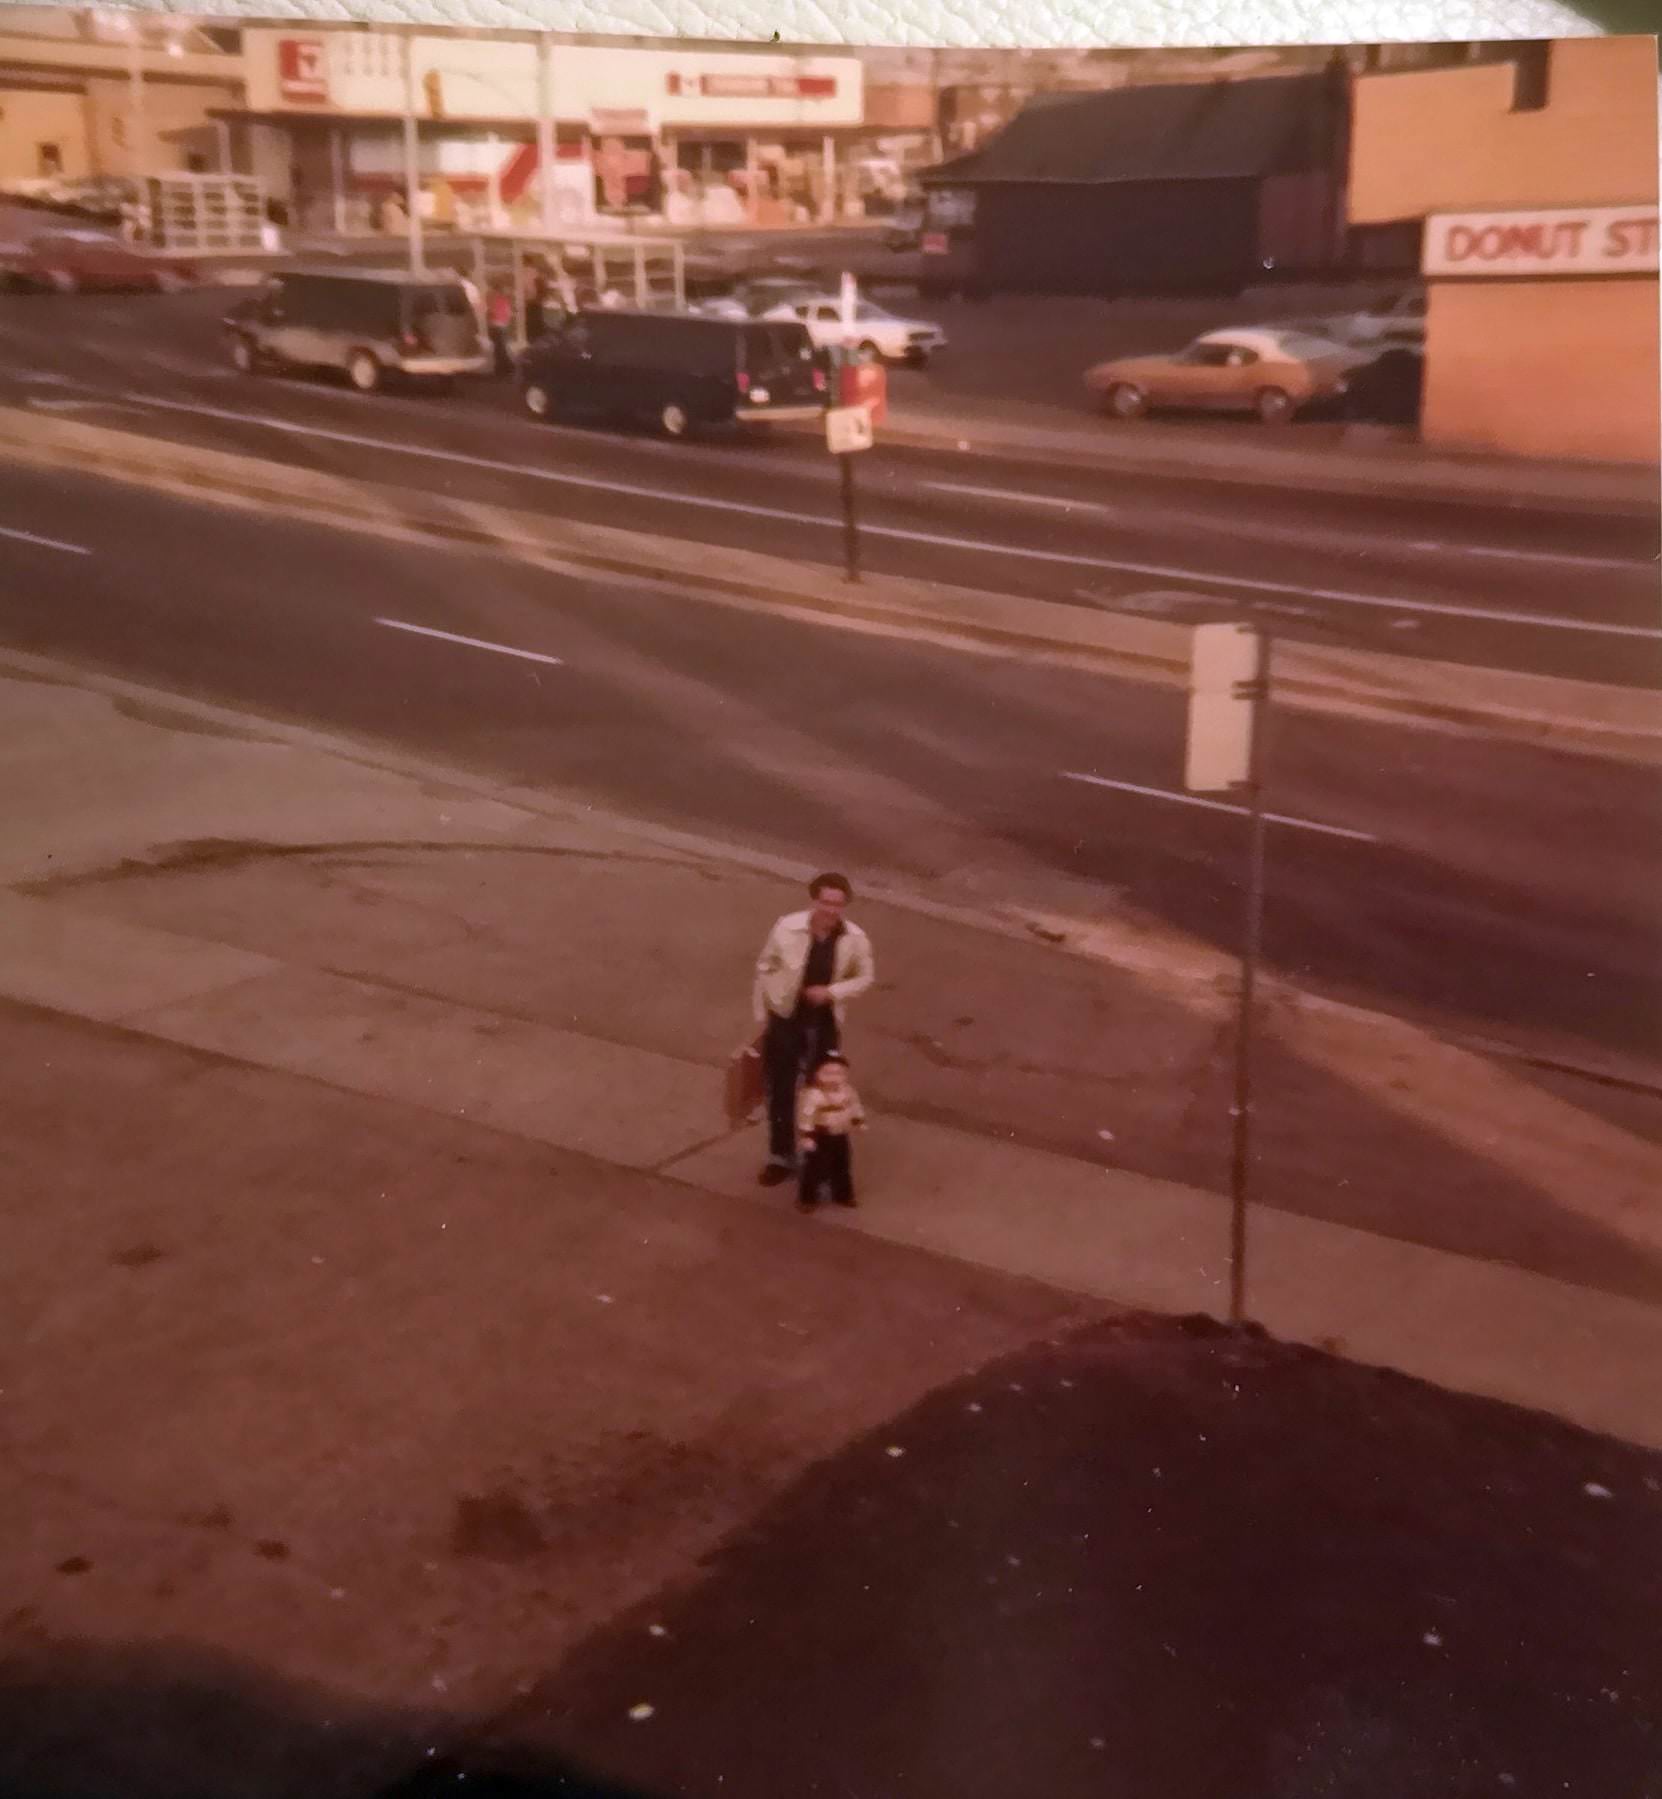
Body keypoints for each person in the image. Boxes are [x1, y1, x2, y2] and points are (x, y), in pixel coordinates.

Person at [752, 873, 874, 1187]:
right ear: (814, 901)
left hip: (824, 1024)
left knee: (823, 1094)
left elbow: (865, 977)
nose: (831, 910)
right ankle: (780, 1157)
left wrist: (832, 992)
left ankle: (816, 1162)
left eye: (838, 904)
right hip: (786, 1018)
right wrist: (763, 1013)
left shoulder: (855, 938)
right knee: (780, 1090)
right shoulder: (787, 928)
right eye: (826, 902)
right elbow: (765, 967)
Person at [795, 1052, 865, 1213]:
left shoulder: (848, 1091)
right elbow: (806, 1116)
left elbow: (855, 1106)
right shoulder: (814, 1095)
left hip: (840, 1134)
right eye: (828, 1073)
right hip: (821, 1135)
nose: (834, 1078)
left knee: (842, 1164)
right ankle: (808, 1198)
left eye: (839, 1073)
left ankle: (843, 1194)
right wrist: (807, 1135)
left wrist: (858, 1120)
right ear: (817, 1074)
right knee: (814, 1167)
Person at [486, 285, 514, 376]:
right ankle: (505, 367)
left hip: (494, 325)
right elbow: (508, 313)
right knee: (502, 347)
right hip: (501, 325)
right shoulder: (503, 300)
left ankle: (500, 367)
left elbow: (489, 313)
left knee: (498, 348)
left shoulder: (491, 300)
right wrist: (507, 320)